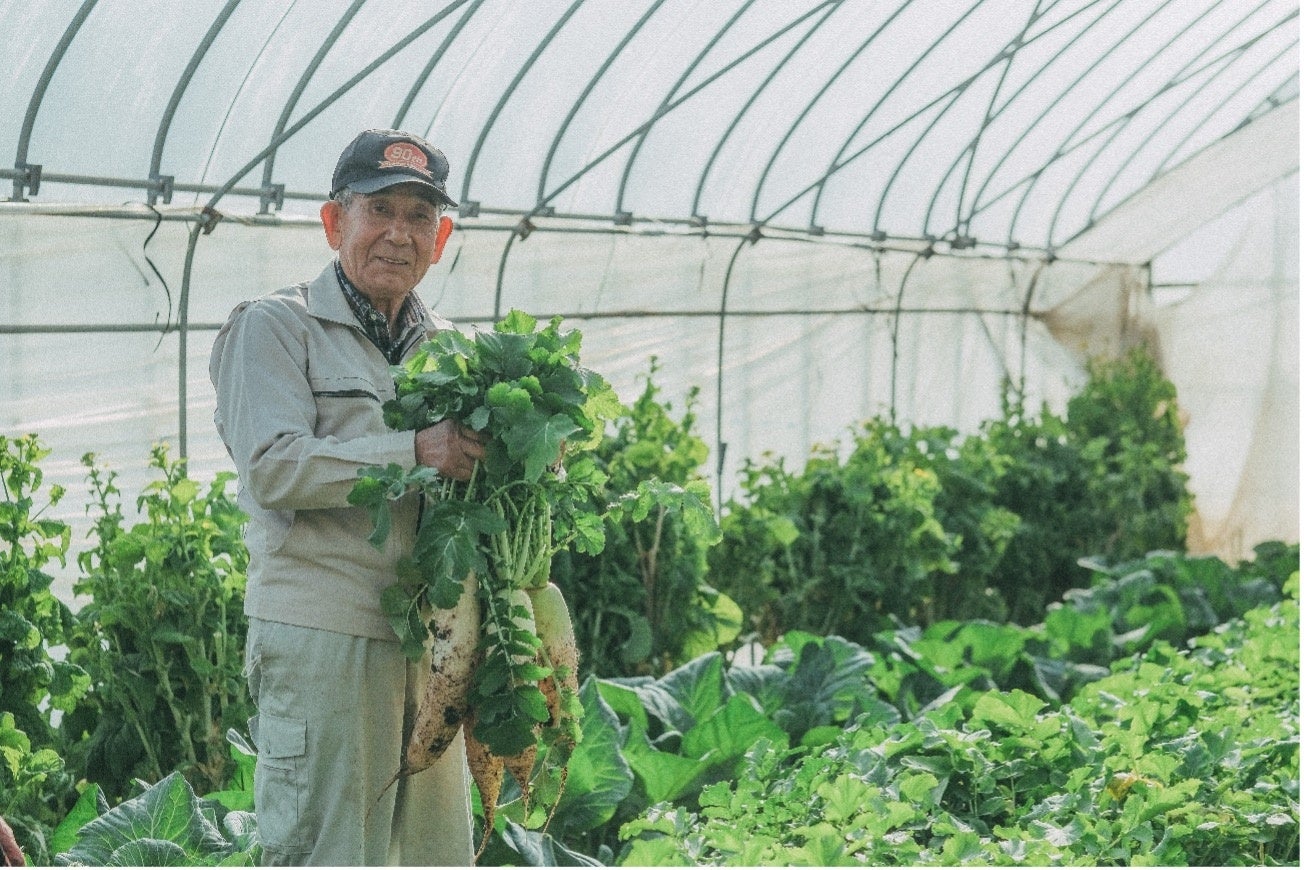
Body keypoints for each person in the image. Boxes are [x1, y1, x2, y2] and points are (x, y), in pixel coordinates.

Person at [209, 129, 484, 866]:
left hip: (433, 644)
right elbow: (272, 467)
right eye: (380, 210)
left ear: (443, 236)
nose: (400, 234)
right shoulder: (274, 327)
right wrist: (414, 451)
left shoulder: (455, 349)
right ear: (336, 223)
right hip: (324, 636)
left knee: (435, 855)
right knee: (327, 851)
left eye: (420, 217)